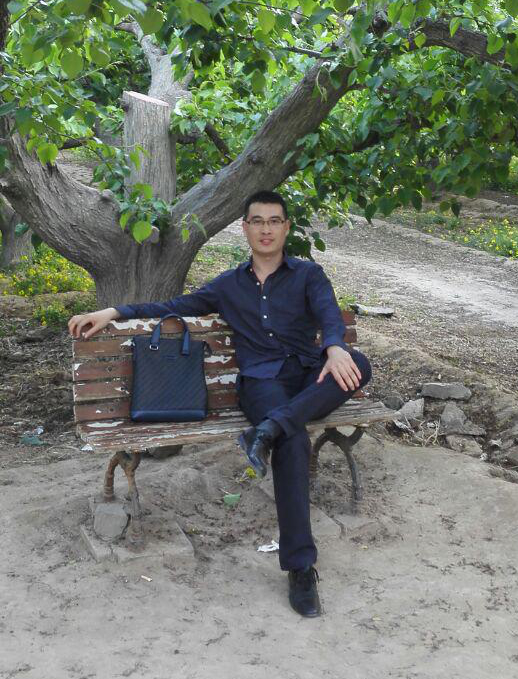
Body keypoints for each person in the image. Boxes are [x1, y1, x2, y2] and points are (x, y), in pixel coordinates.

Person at [67, 190, 372, 617]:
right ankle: (301, 567)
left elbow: (328, 316)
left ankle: (270, 427)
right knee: (292, 441)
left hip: (307, 375)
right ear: (245, 228)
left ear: (286, 228)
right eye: (257, 221)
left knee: (359, 364)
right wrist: (114, 312)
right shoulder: (228, 285)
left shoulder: (308, 274)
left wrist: (336, 348)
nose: (266, 229)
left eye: (274, 221)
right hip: (262, 383)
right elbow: (171, 307)